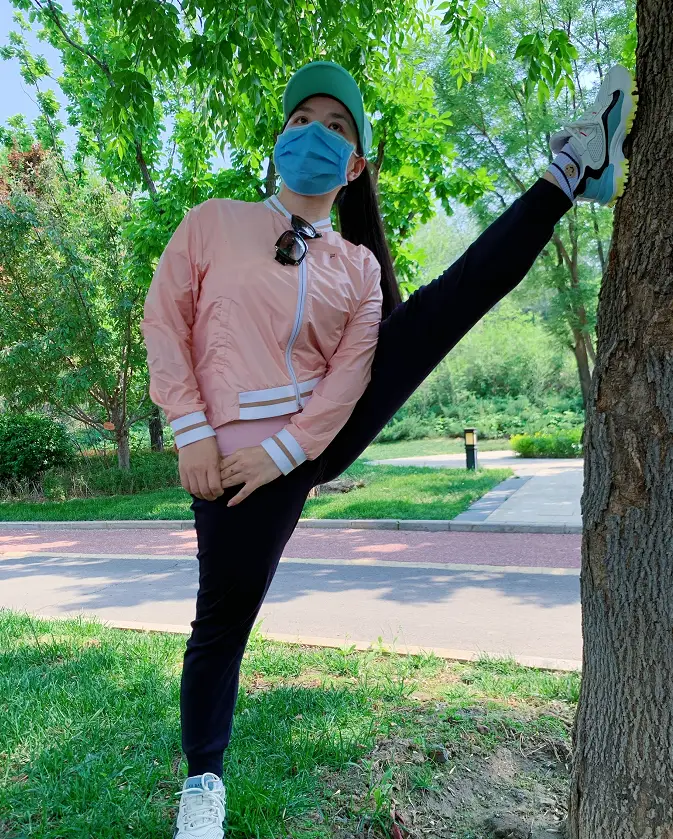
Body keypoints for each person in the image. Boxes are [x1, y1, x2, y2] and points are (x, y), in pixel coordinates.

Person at [140, 60, 637, 839]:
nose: (315, 133)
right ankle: (203, 785)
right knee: (221, 623)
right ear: (278, 139)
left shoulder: (357, 265)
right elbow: (164, 321)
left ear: (355, 164)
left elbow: (347, 378)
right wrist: (190, 429)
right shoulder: (212, 223)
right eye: (301, 119)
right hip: (226, 462)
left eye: (336, 126)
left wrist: (286, 451)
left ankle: (570, 171)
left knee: (440, 308)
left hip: (309, 440)